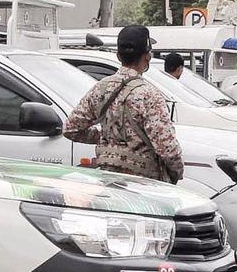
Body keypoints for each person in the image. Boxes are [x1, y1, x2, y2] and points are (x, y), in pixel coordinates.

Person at [64, 25, 184, 184]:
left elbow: (71, 129)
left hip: (108, 182)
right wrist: (177, 173)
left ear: (118, 56)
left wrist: (107, 138)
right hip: (144, 186)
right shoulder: (149, 95)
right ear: (147, 57)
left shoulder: (100, 89)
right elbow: (168, 149)